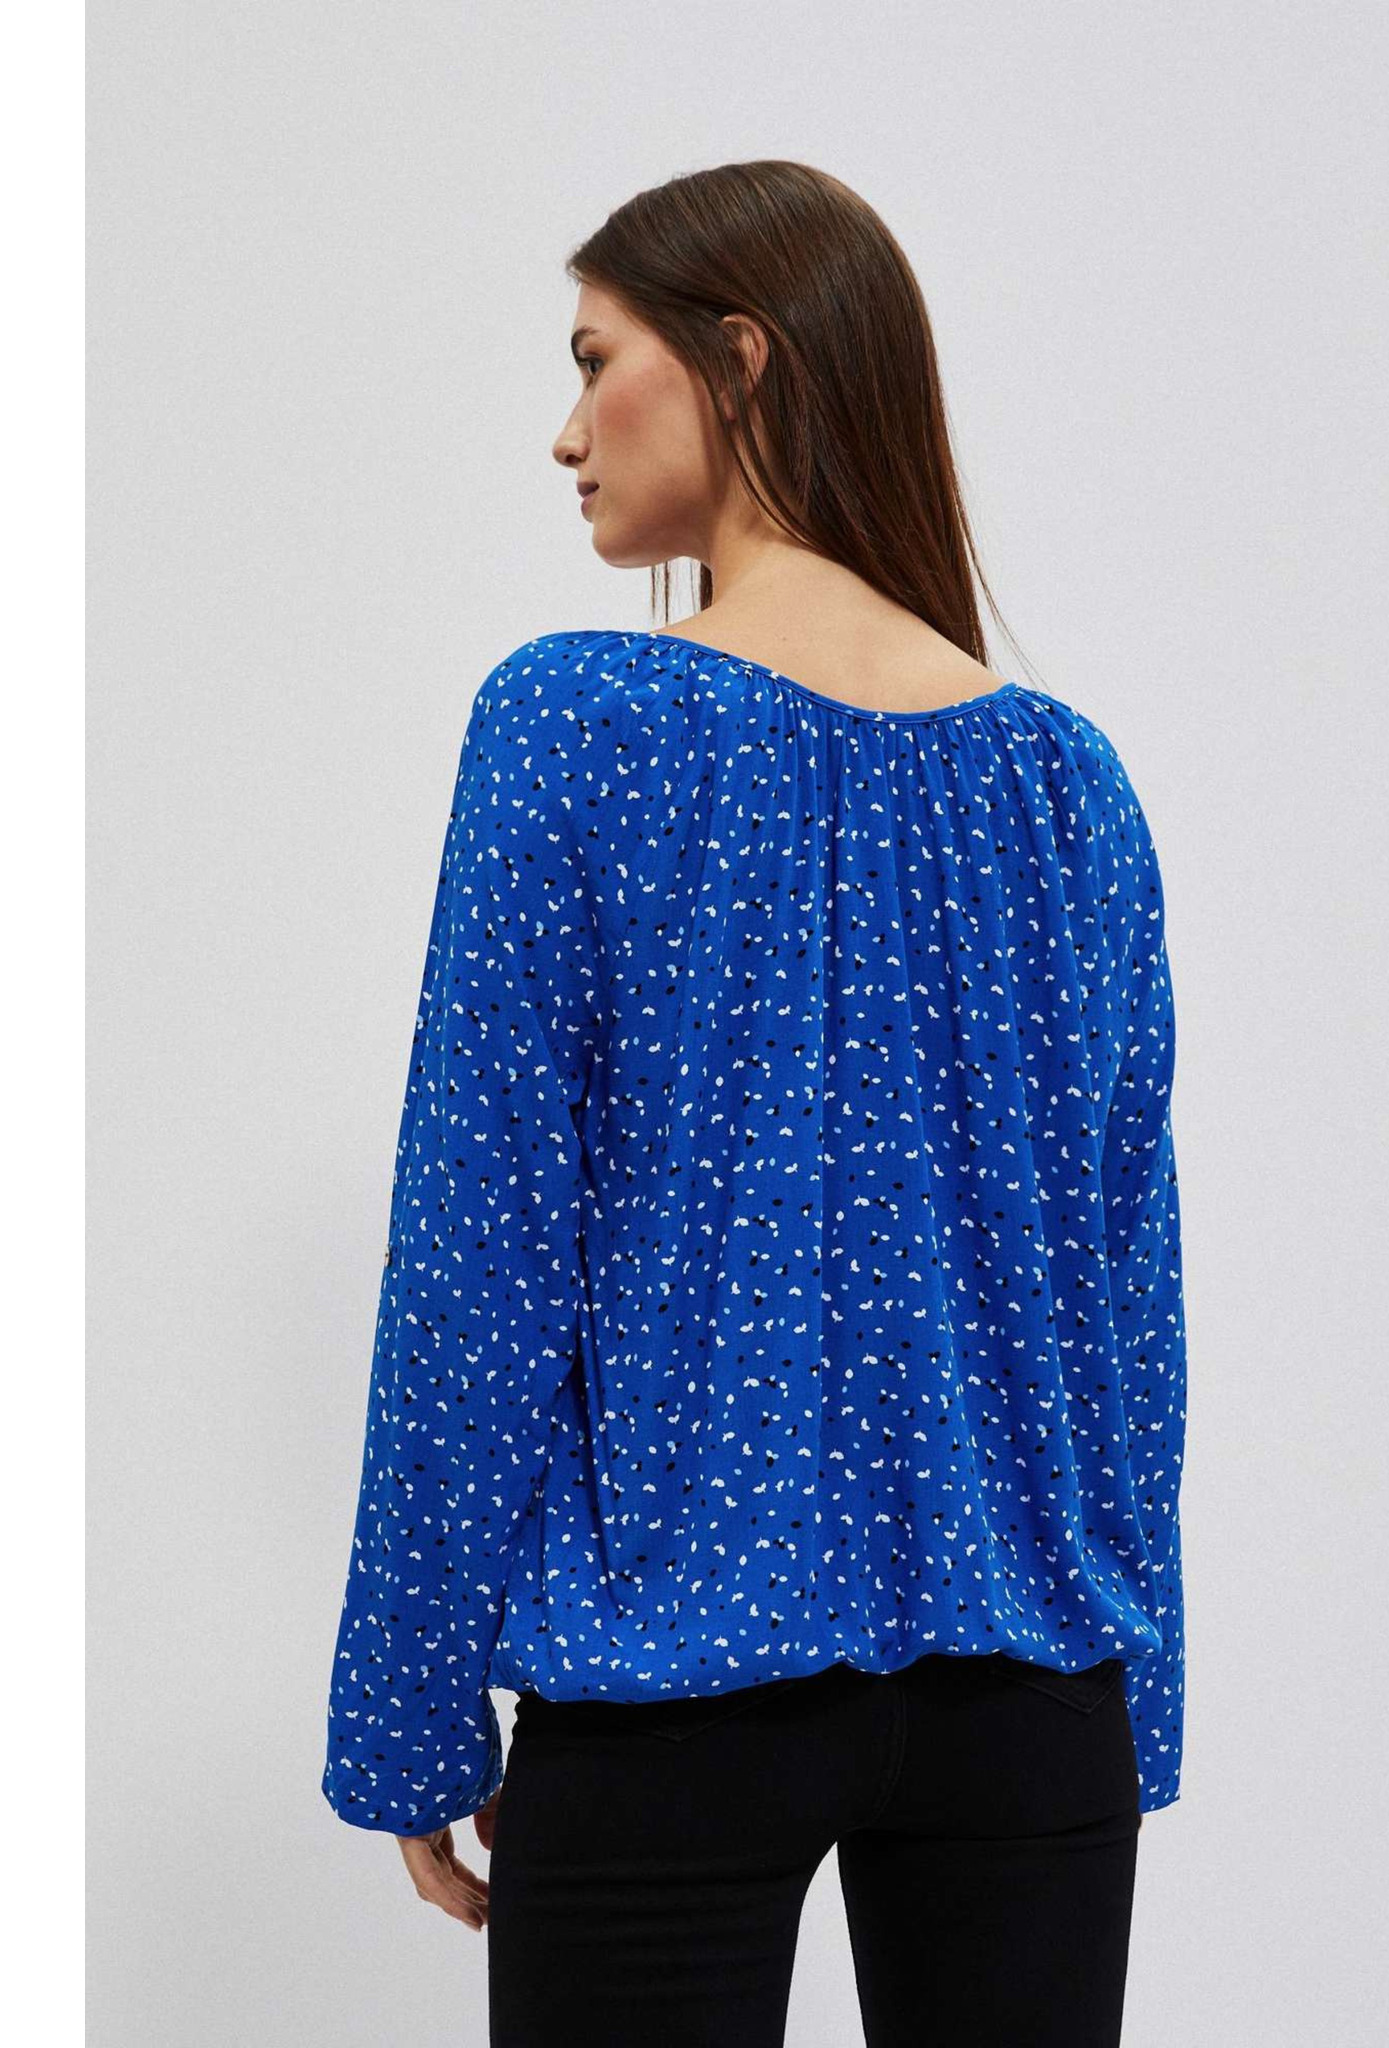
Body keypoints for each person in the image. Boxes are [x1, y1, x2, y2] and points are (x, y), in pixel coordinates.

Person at [321, 159, 1189, 2048]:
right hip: (1034, 1708)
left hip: (672, 1691)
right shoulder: (1068, 786)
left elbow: (480, 1248)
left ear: (742, 357)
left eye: (592, 361)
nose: (565, 433)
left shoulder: (578, 724)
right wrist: (1143, 1680)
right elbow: (1127, 1293)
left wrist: (408, 1706)